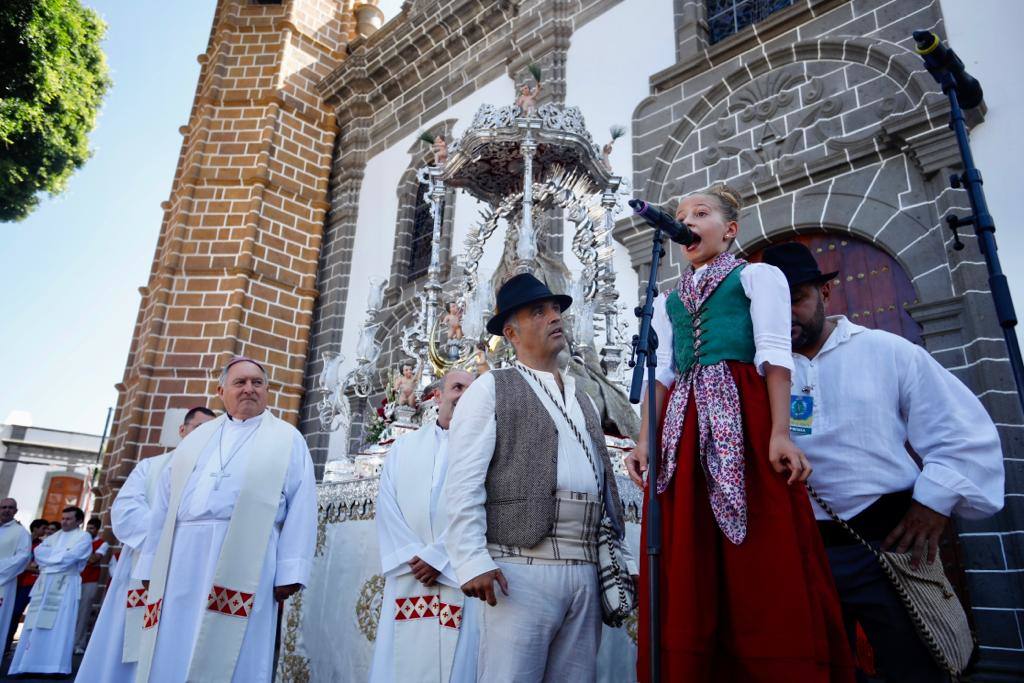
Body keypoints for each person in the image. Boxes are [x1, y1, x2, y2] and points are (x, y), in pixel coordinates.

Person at [624, 184, 852, 682]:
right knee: (689, 540)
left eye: (700, 213)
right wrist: (645, 441)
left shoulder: (756, 277)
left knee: (760, 538)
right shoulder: (667, 301)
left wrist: (780, 432)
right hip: (684, 425)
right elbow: (662, 376)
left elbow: (773, 353)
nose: (687, 221)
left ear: (729, 230)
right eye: (681, 214)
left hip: (743, 415)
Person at [762, 241, 1005, 682]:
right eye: (773, 306)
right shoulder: (759, 372)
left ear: (825, 293)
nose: (785, 315)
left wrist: (933, 502)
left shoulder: (887, 351)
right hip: (799, 551)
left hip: (887, 544)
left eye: (796, 299)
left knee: (917, 669)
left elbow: (960, 430)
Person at [446, 273, 631, 681]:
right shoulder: (491, 388)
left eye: (555, 309)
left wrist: (623, 558)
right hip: (520, 569)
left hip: (585, 567)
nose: (554, 316)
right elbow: (462, 481)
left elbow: (604, 480)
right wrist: (472, 560)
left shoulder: (583, 398)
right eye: (538, 311)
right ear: (511, 333)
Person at [133, 358, 316, 683]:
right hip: (182, 557)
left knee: (236, 650)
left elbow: (302, 505)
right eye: (240, 382)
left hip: (250, 559)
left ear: (267, 390)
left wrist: (290, 570)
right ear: (221, 391)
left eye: (257, 383)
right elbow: (164, 505)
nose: (249, 389)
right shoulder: (196, 440)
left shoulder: (287, 439)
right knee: (175, 640)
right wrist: (150, 564)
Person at [75, 406, 216, 683]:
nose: (205, 437)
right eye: (199, 429)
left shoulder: (216, 475)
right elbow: (126, 512)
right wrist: (174, 536)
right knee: (129, 645)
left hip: (190, 573)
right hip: (143, 568)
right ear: (182, 430)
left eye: (212, 432)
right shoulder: (150, 467)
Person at [370, 369, 479, 683]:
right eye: (457, 387)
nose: (464, 396)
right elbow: (387, 505)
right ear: (438, 396)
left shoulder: (488, 447)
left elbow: (484, 507)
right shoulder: (404, 447)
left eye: (472, 391)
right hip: (410, 572)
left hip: (459, 572)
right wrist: (413, 555)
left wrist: (439, 557)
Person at [9, 506, 92, 675]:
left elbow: (71, 558)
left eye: (69, 519)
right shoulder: (54, 537)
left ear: (79, 521)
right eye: (63, 518)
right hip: (44, 584)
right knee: (34, 623)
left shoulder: (83, 537)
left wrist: (50, 560)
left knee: (60, 624)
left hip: (65, 584)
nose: (64, 522)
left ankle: (54, 666)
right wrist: (59, 556)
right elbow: (39, 553)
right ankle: (28, 664)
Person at [6, 518, 47, 654]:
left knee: (23, 614)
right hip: (16, 581)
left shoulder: (42, 545)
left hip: (31, 583)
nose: (45, 531)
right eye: (43, 528)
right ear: (35, 528)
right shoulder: (23, 541)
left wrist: (29, 567)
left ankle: (13, 646)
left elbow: (40, 566)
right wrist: (28, 566)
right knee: (11, 613)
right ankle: (5, 644)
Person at [73, 515, 110, 654]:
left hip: (90, 581)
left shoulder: (102, 543)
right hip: (76, 579)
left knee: (84, 613)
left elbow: (94, 559)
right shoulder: (80, 540)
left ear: (97, 529)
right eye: (88, 528)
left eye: (92, 528)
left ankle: (78, 644)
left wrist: (78, 555)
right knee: (71, 612)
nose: (89, 530)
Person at [0, 500, 31, 657]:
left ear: (15, 511)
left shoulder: (21, 533)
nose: (6, 510)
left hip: (3, 582)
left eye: (10, 508)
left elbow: (23, 557)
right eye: (3, 507)